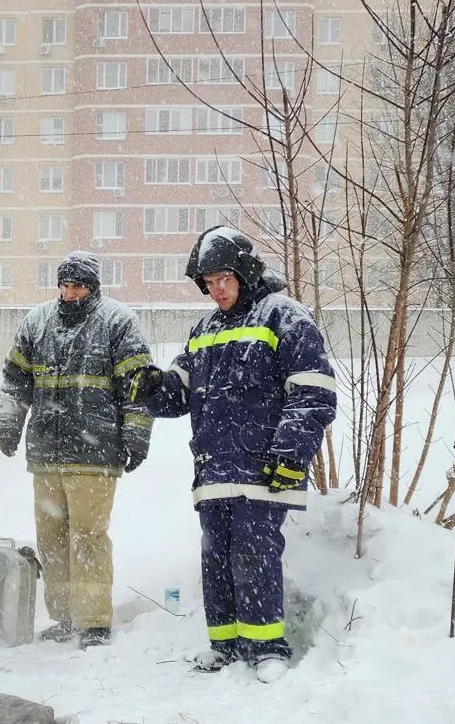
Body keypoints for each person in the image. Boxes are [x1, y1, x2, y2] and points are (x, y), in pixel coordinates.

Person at [133, 226, 336, 683]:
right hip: (214, 471)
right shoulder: (204, 330)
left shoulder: (282, 316)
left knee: (254, 556)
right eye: (209, 281)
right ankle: (224, 645)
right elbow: (179, 393)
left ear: (244, 273)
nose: (217, 288)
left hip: (265, 469)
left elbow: (313, 394)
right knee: (217, 559)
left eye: (224, 277)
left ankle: (268, 649)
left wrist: (290, 453)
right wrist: (151, 388)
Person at [0, 251, 153, 648]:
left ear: (94, 287)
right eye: (65, 285)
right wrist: (10, 423)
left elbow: (137, 385)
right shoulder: (37, 321)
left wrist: (136, 433)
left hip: (95, 453)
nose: (70, 293)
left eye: (78, 286)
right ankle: (65, 617)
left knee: (88, 537)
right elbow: (16, 380)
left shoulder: (117, 322)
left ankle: (94, 620)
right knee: (51, 538)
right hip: (46, 452)